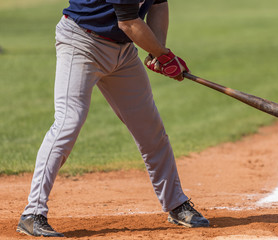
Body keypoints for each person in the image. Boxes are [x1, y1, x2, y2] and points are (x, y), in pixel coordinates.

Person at [16, 0, 209, 237]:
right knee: (69, 122)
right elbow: (128, 22)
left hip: (124, 52)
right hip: (81, 42)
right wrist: (165, 56)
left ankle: (176, 204)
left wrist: (157, 50)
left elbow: (158, 4)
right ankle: (32, 213)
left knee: (150, 128)